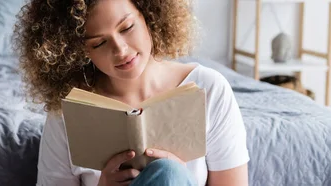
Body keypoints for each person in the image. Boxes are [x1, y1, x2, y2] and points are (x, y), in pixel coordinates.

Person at [13, 0, 250, 185]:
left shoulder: (209, 89)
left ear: (148, 15)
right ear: (78, 51)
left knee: (168, 174)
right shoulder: (67, 111)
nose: (120, 49)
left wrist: (178, 178)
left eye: (126, 27)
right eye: (98, 43)